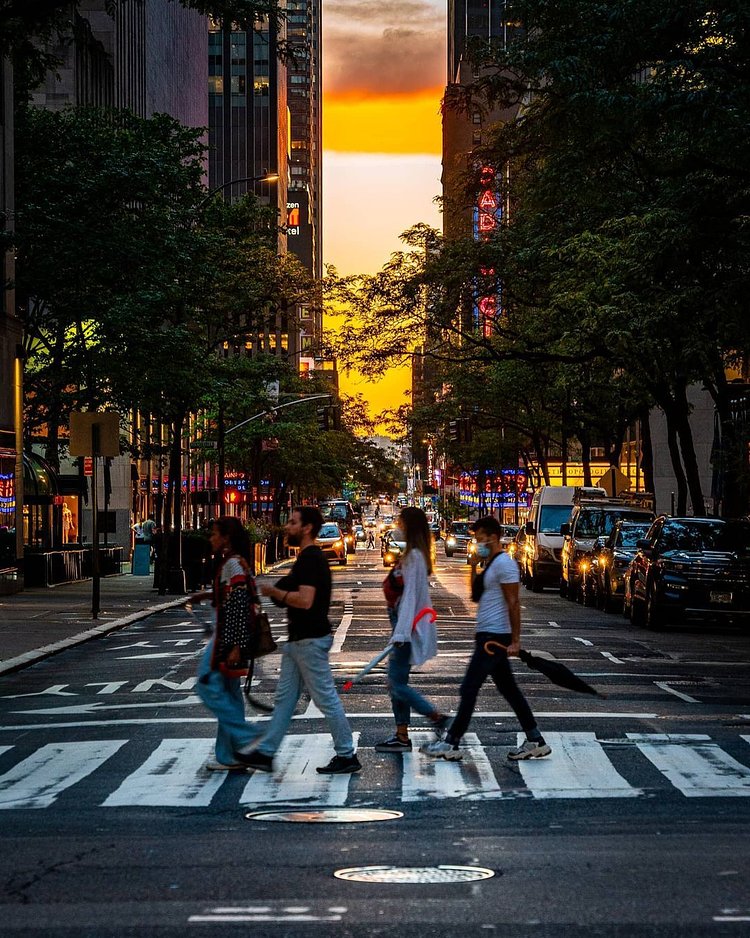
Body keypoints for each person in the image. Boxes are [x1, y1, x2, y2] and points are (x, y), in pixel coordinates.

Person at [234, 506, 361, 775]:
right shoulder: (304, 559)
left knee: (325, 697)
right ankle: (266, 753)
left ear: (306, 528)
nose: (287, 527)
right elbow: (284, 588)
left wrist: (272, 592)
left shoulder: (311, 559)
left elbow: (305, 601)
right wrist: (262, 586)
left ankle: (347, 753)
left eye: (292, 522)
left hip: (309, 639)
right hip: (298, 641)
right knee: (285, 699)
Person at [421, 515, 551, 762]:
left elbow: (514, 603)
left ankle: (452, 742)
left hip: (494, 638)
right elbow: (475, 595)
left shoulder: (505, 565)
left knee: (469, 687)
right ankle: (535, 739)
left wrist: (515, 640)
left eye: (480, 537)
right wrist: (474, 564)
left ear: (492, 537)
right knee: (509, 690)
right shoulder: (491, 563)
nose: (477, 542)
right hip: (489, 635)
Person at [190, 516, 262, 771]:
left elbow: (239, 604)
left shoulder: (232, 564)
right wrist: (207, 595)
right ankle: (228, 755)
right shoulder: (234, 562)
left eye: (214, 534)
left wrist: (233, 645)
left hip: (226, 637)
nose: (211, 538)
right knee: (230, 695)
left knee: (206, 684)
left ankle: (243, 735)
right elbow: (234, 596)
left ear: (226, 537)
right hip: (229, 635)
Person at [375, 507, 449, 752]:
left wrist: (401, 632)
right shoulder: (411, 554)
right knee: (397, 682)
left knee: (396, 684)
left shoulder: (415, 557)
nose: (398, 525)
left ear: (410, 525)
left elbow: (411, 597)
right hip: (401, 624)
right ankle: (401, 734)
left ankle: (435, 717)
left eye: (401, 522)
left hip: (406, 627)